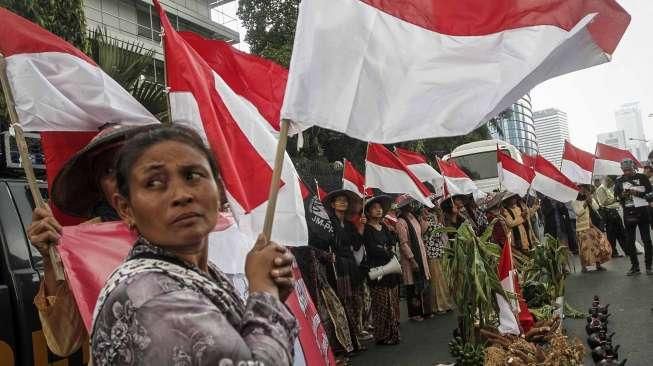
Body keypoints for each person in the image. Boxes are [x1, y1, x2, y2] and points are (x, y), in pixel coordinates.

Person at [91, 125, 297, 365]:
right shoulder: (152, 297)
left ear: (219, 189)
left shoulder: (199, 273)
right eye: (155, 183)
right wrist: (265, 294)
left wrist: (268, 298)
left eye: (192, 176)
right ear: (126, 209)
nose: (181, 195)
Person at [28, 124, 157, 356]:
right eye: (108, 170)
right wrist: (50, 261)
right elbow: (63, 343)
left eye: (131, 162)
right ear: (100, 188)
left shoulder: (186, 226)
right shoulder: (83, 244)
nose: (121, 177)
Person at [323, 189, 367, 350]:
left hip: (351, 266)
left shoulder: (349, 225)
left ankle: (355, 336)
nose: (343, 202)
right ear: (333, 204)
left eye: (345, 201)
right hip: (337, 267)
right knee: (344, 302)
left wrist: (361, 226)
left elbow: (356, 244)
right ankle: (348, 341)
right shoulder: (328, 222)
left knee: (355, 300)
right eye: (339, 200)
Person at [362, 195, 401, 345]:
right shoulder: (367, 229)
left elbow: (391, 243)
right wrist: (386, 251)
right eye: (374, 209)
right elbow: (372, 249)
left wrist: (391, 233)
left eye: (380, 208)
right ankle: (382, 335)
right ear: (368, 212)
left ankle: (392, 333)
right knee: (381, 303)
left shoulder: (384, 226)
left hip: (389, 268)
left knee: (391, 300)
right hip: (377, 269)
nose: (378, 211)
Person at [395, 195, 432, 321]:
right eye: (408, 203)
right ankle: (415, 313)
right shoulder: (401, 222)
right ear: (403, 206)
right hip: (411, 259)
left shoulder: (413, 217)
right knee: (412, 286)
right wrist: (412, 259)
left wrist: (424, 219)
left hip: (421, 255)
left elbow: (422, 232)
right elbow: (403, 243)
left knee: (424, 283)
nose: (411, 205)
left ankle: (426, 310)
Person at [614, 158, 653, 276]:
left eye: (629, 170)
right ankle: (635, 267)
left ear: (633, 168)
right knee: (630, 242)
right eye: (624, 170)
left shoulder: (642, 178)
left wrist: (638, 193)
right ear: (622, 170)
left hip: (642, 212)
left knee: (647, 241)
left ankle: (648, 267)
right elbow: (615, 197)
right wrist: (623, 195)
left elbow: (651, 195)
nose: (627, 172)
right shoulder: (619, 181)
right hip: (628, 213)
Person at [421, 204, 454, 314]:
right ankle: (438, 306)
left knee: (443, 280)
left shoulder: (434, 216)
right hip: (432, 252)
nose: (438, 206)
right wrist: (440, 219)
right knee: (437, 281)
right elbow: (436, 232)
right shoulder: (426, 216)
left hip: (440, 250)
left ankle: (445, 304)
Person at [572, 185, 611, 272]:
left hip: (593, 225)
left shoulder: (588, 198)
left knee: (598, 244)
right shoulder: (574, 200)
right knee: (584, 247)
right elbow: (578, 213)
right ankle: (584, 266)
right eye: (581, 189)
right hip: (582, 227)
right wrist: (585, 203)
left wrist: (590, 199)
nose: (582, 190)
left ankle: (598, 264)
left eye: (584, 189)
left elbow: (596, 207)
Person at [594, 176, 627, 258]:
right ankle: (613, 252)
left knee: (621, 233)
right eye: (612, 182)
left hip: (614, 211)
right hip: (609, 213)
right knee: (612, 234)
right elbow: (603, 202)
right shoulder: (601, 189)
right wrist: (615, 199)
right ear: (609, 180)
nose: (612, 185)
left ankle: (628, 250)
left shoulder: (607, 188)